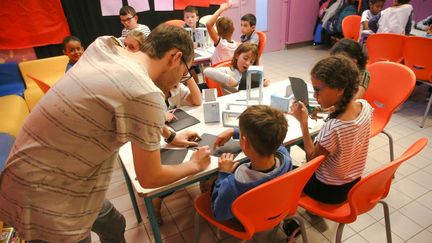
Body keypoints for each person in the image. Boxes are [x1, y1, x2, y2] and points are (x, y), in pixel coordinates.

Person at [0, 25, 211, 242]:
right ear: (175, 57)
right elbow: (150, 177)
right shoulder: (146, 92)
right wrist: (194, 165)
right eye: (184, 73)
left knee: (114, 223)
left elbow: (127, 104)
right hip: (46, 195)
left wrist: (171, 137)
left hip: (31, 170)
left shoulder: (104, 45)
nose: (179, 81)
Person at [284, 55, 373, 238]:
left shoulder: (334, 127)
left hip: (329, 191)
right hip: (352, 183)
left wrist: (303, 122)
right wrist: (326, 109)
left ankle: (287, 220)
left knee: (284, 169)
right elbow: (343, 112)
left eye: (317, 91)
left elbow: (311, 158)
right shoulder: (364, 106)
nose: (315, 96)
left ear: (340, 89)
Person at [211, 105, 292, 221]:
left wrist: (223, 174)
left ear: (244, 142)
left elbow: (218, 214)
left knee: (210, 181)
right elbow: (271, 136)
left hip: (245, 220)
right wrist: (234, 131)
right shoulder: (285, 157)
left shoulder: (232, 186)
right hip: (271, 211)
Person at [203, 42, 269, 95]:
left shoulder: (250, 73)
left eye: (251, 62)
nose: (248, 63)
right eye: (245, 58)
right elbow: (207, 71)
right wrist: (229, 79)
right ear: (237, 55)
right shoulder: (228, 71)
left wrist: (264, 81)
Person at [183, 5, 206, 84]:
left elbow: (205, 42)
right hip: (189, 54)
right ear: (184, 19)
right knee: (190, 65)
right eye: (187, 17)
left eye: (192, 17)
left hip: (202, 52)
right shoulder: (182, 30)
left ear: (197, 18)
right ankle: (195, 84)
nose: (190, 19)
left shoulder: (202, 28)